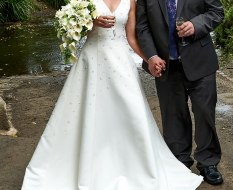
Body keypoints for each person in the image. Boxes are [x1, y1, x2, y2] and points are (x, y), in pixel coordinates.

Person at [21, 0, 203, 189]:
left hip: (120, 61)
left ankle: (134, 166)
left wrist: (149, 59)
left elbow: (131, 38)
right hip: (91, 61)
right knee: (87, 113)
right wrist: (90, 22)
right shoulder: (86, 1)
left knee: (130, 113)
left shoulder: (131, 1)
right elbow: (72, 31)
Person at [136, 0, 225, 185]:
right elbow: (142, 26)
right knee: (173, 115)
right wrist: (151, 56)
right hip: (165, 65)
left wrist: (196, 25)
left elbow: (216, 12)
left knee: (204, 112)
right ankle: (179, 162)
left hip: (200, 61)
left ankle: (208, 162)